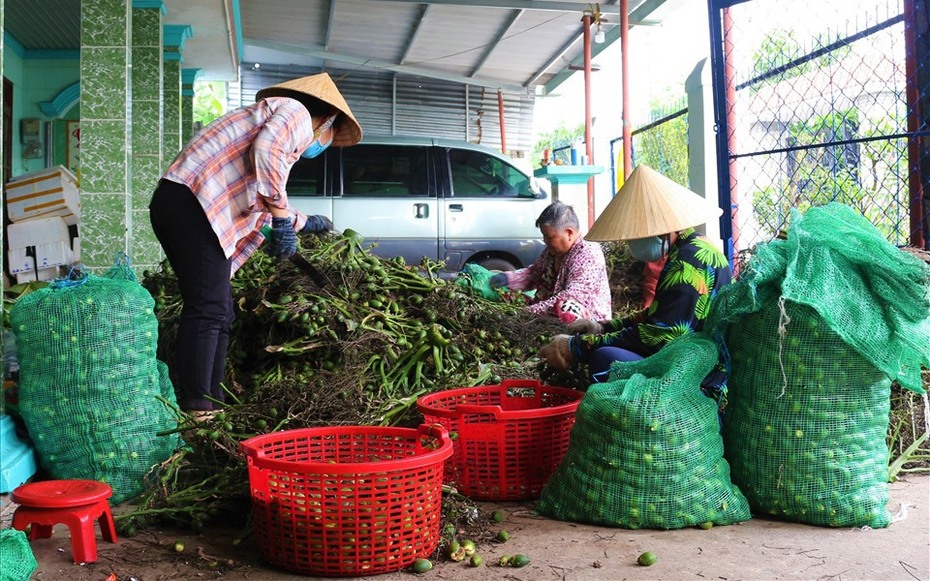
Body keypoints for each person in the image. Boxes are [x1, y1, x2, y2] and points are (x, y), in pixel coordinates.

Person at [148, 73, 362, 416]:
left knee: (220, 310)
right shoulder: (295, 113)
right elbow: (267, 154)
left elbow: (263, 195)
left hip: (186, 204)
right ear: (328, 120)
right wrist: (281, 217)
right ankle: (199, 409)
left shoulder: (278, 126)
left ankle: (210, 403)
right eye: (330, 138)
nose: (322, 146)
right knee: (208, 308)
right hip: (193, 203)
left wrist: (304, 223)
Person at [539, 165, 731, 383]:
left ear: (661, 231)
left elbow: (658, 336)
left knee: (606, 358)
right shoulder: (691, 247)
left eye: (636, 236)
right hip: (686, 355)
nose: (631, 244)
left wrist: (576, 346)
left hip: (697, 374)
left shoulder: (688, 264)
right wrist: (602, 326)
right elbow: (655, 316)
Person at [489, 201, 611, 323]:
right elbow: (534, 273)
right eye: (544, 236)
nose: (545, 241)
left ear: (569, 233)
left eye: (549, 237)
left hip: (589, 323)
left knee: (565, 308)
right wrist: (509, 278)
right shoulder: (551, 253)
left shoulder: (588, 253)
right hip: (549, 313)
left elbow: (572, 296)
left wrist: (527, 313)